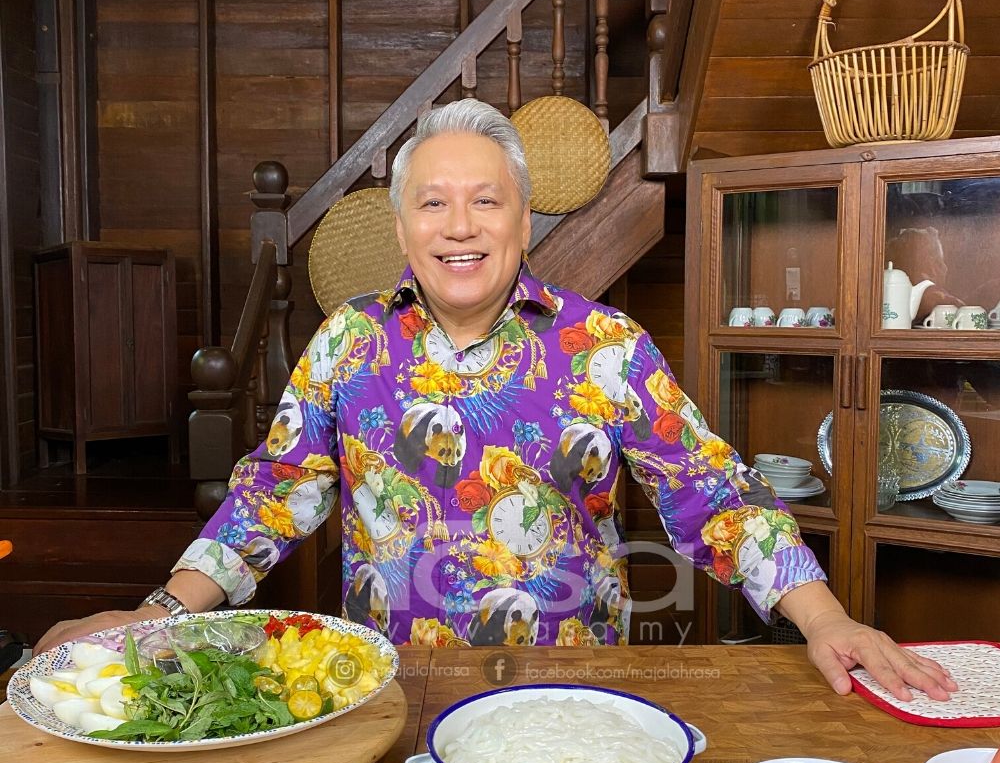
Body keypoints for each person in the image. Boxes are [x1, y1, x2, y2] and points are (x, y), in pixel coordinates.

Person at [37, 101, 956, 703]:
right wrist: (163, 609)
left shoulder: (606, 349)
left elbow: (711, 496)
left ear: (523, 220)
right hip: (388, 694)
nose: (460, 225)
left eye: (487, 201)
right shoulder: (350, 342)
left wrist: (826, 617)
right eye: (434, 204)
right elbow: (277, 492)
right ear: (403, 228)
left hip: (572, 691)